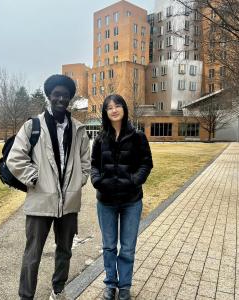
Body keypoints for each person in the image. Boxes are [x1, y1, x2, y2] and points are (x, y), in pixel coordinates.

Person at [7, 74, 91, 300]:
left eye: (65, 95)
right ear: (49, 96)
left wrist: (80, 180)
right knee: (32, 254)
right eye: (57, 94)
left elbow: (86, 160)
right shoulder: (32, 126)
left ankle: (59, 289)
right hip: (40, 201)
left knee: (64, 251)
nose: (61, 99)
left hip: (69, 201)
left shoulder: (79, 129)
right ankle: (26, 296)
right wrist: (33, 178)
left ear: (70, 98)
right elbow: (15, 158)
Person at [91, 94, 153, 300]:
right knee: (109, 246)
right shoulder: (100, 139)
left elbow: (146, 163)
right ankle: (110, 284)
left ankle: (124, 286)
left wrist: (134, 181)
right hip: (106, 201)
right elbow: (93, 165)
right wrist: (97, 181)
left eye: (117, 106)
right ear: (105, 113)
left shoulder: (138, 137)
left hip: (131, 201)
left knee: (127, 247)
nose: (114, 110)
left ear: (124, 109)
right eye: (109, 107)